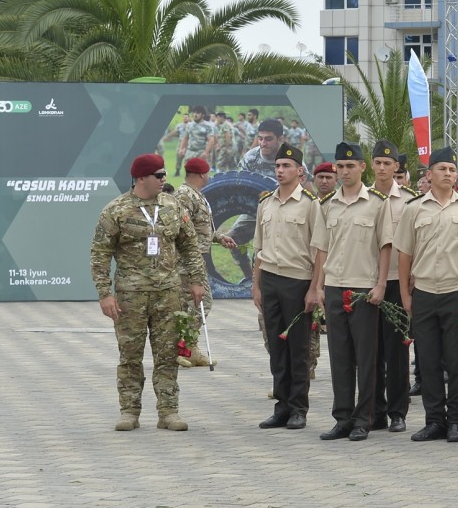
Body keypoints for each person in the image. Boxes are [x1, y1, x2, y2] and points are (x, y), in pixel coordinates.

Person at [91, 153, 206, 432]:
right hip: (130, 295)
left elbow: (190, 244)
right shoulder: (116, 210)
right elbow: (100, 254)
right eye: (159, 175)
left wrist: (196, 280)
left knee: (167, 354)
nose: (164, 180)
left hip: (168, 292)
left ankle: (168, 412)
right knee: (130, 355)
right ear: (140, 177)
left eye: (164, 175)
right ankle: (129, 411)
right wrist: (105, 294)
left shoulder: (172, 205)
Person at [396, 147, 458, 444]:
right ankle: (434, 420)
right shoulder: (414, 208)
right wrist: (405, 295)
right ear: (429, 174)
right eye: (442, 169)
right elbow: (404, 254)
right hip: (423, 292)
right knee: (428, 359)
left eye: (452, 169)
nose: (448, 174)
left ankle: (457, 421)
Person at [313, 142, 392, 441]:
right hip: (334, 286)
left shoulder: (376, 203)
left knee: (366, 357)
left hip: (363, 287)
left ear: (362, 167)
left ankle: (364, 418)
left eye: (351, 166)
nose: (345, 171)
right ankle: (342, 417)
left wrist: (381, 284)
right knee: (340, 356)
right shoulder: (328, 204)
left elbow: (385, 246)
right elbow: (322, 249)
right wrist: (319, 285)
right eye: (340, 166)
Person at [254, 142, 326, 431]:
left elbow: (320, 250)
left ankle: (299, 408)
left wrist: (315, 288)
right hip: (270, 278)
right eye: (278, 166)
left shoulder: (311, 205)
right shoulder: (265, 203)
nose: (280, 170)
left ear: (299, 170)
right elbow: (258, 249)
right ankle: (281, 407)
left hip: (298, 281)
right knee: (276, 347)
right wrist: (256, 286)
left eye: (286, 166)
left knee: (298, 348)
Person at [369, 139, 418, 433]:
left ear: (397, 167)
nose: (383, 167)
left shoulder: (410, 201)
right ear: (371, 165)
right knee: (369, 351)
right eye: (378, 162)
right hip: (365, 281)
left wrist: (412, 276)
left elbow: (417, 242)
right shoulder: (360, 197)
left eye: (389, 163)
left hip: (396, 284)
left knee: (397, 350)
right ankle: (375, 410)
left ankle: (398, 412)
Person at [176, 157, 240, 366]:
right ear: (203, 174)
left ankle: (189, 347)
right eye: (207, 174)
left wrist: (219, 237)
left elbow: (201, 227)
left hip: (198, 256)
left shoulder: (197, 195)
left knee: (196, 303)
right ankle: (181, 348)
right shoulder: (185, 195)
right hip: (187, 259)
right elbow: (183, 230)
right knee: (194, 302)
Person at [175, 106, 213, 177]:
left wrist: (206, 152)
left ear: (203, 115)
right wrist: (181, 149)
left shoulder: (208, 126)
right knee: (189, 174)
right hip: (190, 152)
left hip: (201, 152)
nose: (195, 114)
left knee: (202, 175)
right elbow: (185, 138)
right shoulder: (190, 125)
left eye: (198, 113)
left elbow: (211, 140)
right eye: (194, 112)